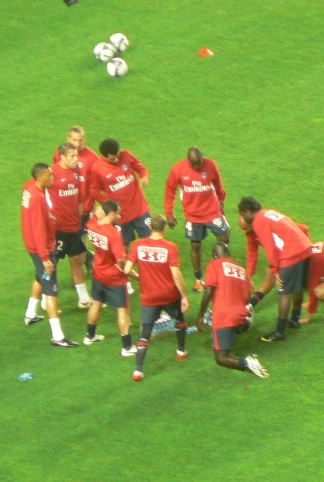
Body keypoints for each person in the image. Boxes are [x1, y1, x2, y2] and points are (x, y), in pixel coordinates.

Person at [124, 215, 190, 381]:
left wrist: (139, 277)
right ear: (164, 228)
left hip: (149, 297)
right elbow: (176, 274)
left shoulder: (138, 245)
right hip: (169, 295)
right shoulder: (170, 247)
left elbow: (126, 270)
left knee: (145, 334)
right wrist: (184, 296)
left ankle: (138, 370)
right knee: (180, 320)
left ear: (150, 227)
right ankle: (181, 351)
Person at [238, 197, 312, 342]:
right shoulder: (268, 213)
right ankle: (295, 319)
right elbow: (294, 227)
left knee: (283, 293)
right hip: (304, 247)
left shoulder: (258, 222)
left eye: (242, 214)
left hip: (291, 252)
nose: (244, 230)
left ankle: (280, 332)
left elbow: (271, 249)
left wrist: (276, 271)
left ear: (247, 212)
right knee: (297, 287)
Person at [21, 163, 79, 347]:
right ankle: (58, 336)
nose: (52, 177)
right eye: (49, 175)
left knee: (41, 276)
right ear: (40, 177)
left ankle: (30, 314)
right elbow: (39, 230)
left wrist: (48, 217)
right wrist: (46, 258)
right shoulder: (38, 198)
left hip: (32, 246)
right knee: (51, 290)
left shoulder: (29, 189)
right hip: (41, 250)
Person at [196, 243, 270, 379]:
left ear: (215, 255)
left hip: (224, 316)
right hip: (242, 315)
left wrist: (200, 316)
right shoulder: (241, 270)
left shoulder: (214, 264)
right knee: (230, 329)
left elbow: (208, 291)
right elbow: (247, 295)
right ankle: (236, 331)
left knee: (221, 358)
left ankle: (248, 363)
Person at [164, 147, 229, 293]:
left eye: (199, 163)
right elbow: (170, 191)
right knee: (195, 245)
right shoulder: (178, 169)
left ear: (202, 158)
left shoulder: (211, 165)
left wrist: (221, 202)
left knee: (224, 239)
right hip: (193, 215)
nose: (198, 167)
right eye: (194, 164)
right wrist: (169, 213)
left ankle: (222, 271)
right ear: (189, 161)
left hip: (212, 211)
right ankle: (198, 279)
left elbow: (218, 185)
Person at [84, 200, 138, 356]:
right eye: (118, 213)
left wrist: (97, 212)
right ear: (111, 213)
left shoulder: (92, 225)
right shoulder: (113, 234)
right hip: (114, 277)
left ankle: (90, 335)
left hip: (98, 271)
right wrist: (131, 273)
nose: (120, 216)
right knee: (123, 310)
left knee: (97, 302)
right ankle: (127, 347)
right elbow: (121, 260)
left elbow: (93, 218)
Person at [50, 143, 92, 309]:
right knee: (53, 263)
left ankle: (83, 299)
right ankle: (48, 298)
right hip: (58, 228)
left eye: (77, 156)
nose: (76, 159)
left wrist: (81, 204)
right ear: (62, 157)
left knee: (78, 260)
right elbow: (39, 192)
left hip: (74, 225)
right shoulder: (51, 172)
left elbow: (79, 191)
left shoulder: (76, 170)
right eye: (72, 156)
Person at [88, 138, 151, 249]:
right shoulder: (97, 168)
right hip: (120, 215)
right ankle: (124, 266)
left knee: (149, 240)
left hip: (140, 208)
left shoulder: (126, 155)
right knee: (123, 246)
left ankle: (147, 266)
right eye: (112, 159)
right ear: (105, 156)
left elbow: (141, 168)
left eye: (117, 155)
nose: (117, 159)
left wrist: (144, 176)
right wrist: (108, 203)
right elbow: (94, 190)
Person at [53, 126, 99, 272]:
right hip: (66, 208)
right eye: (74, 140)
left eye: (80, 140)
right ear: (68, 138)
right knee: (70, 240)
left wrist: (92, 205)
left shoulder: (92, 158)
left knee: (80, 239)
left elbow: (95, 184)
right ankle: (88, 257)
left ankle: (83, 262)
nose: (77, 143)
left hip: (84, 206)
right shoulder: (60, 154)